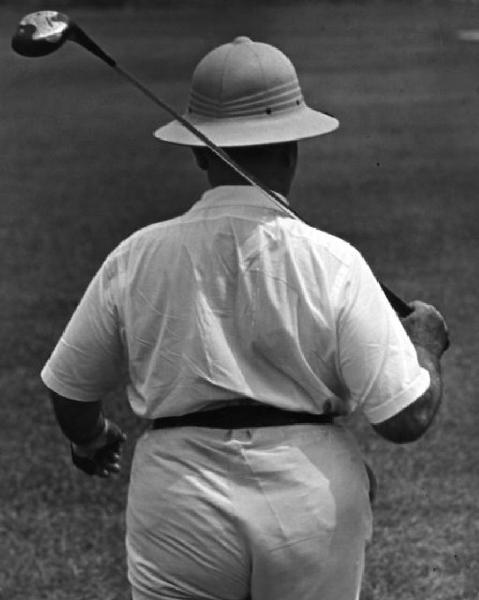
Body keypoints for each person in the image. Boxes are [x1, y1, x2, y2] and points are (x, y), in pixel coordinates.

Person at [41, 37, 449, 600]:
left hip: (178, 497)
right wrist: (424, 344)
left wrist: (90, 440)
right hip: (309, 500)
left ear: (198, 152)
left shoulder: (135, 254)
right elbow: (405, 418)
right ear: (293, 146)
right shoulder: (333, 259)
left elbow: (70, 388)